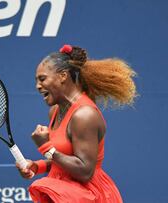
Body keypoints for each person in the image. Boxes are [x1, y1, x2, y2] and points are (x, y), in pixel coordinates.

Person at [16, 44, 137, 203]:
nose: (38, 86)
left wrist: (46, 147)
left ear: (63, 76)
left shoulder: (84, 115)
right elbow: (64, 162)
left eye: (42, 79)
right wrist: (38, 166)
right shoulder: (55, 111)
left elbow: (84, 171)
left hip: (89, 195)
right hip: (66, 192)